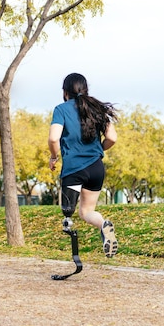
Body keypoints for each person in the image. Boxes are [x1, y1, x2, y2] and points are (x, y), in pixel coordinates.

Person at [48, 72, 118, 257]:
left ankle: (68, 221)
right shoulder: (97, 109)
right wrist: (99, 149)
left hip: (74, 169)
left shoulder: (61, 109)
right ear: (85, 89)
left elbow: (53, 138)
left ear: (65, 92)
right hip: (96, 168)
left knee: (68, 211)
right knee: (87, 211)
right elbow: (112, 138)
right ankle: (103, 225)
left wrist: (54, 157)